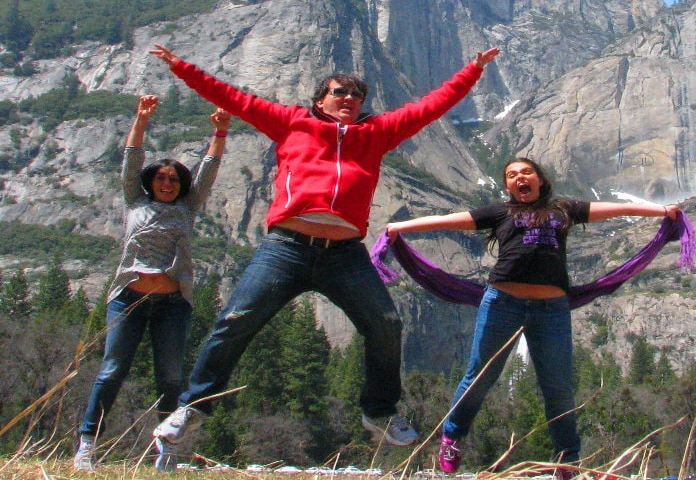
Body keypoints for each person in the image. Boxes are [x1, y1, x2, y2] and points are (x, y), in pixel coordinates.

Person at [148, 42, 500, 451]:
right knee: (235, 320)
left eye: (357, 95)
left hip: (345, 254)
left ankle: (380, 411)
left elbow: (431, 106)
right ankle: (193, 407)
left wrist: (472, 69)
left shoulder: (378, 132)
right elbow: (231, 96)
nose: (349, 99)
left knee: (385, 325)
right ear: (320, 99)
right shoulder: (290, 122)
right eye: (340, 93)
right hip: (286, 248)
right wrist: (181, 67)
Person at [385, 157, 681, 476]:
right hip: (501, 302)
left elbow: (614, 208)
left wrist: (662, 211)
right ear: (507, 186)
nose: (520, 178)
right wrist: (400, 227)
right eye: (512, 175)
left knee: (558, 386)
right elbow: (447, 220)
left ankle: (567, 458)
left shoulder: (564, 208)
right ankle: (452, 437)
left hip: (552, 310)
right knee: (479, 376)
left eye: (526, 172)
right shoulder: (499, 212)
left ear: (540, 180)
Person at [74, 95, 230, 472]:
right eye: (160, 177)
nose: (167, 182)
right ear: (149, 181)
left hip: (172, 305)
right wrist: (140, 119)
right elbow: (131, 159)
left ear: (181, 185)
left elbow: (208, 170)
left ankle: (167, 453)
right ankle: (86, 447)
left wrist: (220, 132)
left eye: (174, 178)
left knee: (171, 377)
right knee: (111, 371)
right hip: (127, 300)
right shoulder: (134, 201)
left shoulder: (187, 209)